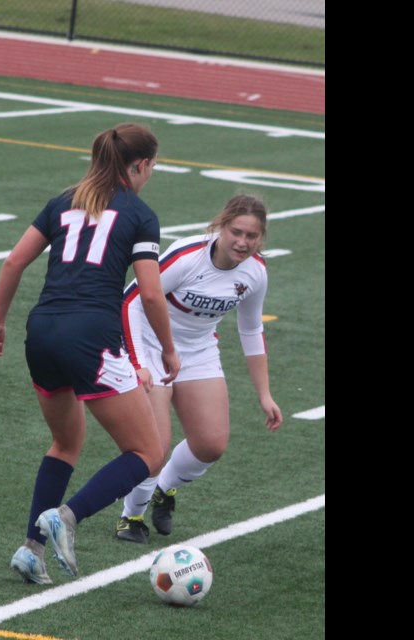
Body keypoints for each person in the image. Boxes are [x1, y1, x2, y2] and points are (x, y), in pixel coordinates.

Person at [0, 123, 181, 584]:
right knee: (149, 451)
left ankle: (32, 549)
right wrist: (168, 350)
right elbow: (151, 295)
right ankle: (66, 517)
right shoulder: (139, 212)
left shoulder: (63, 200)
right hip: (90, 334)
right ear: (142, 165)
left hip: (42, 330)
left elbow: (13, 261)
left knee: (66, 443)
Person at [114, 194, 283, 544]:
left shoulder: (256, 271)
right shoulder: (186, 255)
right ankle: (131, 516)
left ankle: (166, 490)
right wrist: (140, 362)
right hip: (152, 345)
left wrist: (264, 395)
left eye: (252, 236)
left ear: (261, 238)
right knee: (154, 447)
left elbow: (251, 329)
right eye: (236, 231)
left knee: (211, 444)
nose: (243, 242)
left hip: (199, 350)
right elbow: (131, 299)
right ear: (220, 226)